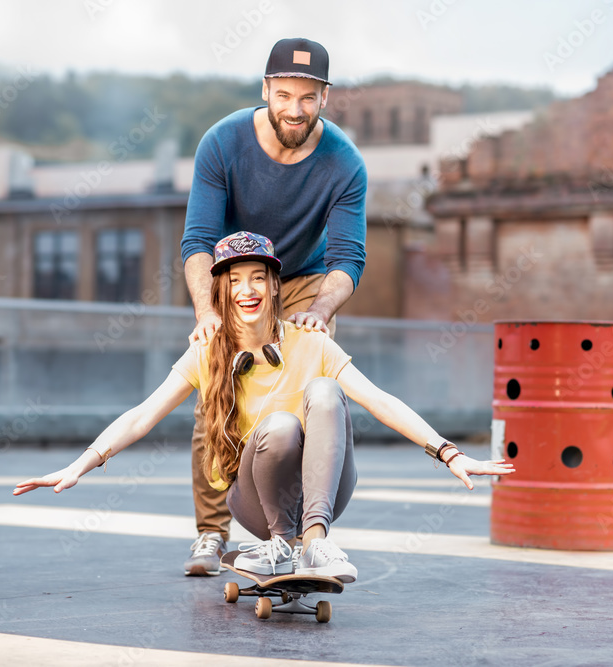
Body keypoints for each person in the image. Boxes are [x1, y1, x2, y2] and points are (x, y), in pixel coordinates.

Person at [13, 232, 514, 581]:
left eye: (258, 277)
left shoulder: (311, 342)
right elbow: (143, 414)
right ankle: (278, 541)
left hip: (323, 494)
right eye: (235, 280)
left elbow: (380, 400)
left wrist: (450, 453)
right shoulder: (208, 352)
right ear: (222, 291)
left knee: (325, 392)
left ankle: (315, 542)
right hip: (254, 499)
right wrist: (80, 465)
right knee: (278, 424)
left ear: (275, 285)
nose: (247, 289)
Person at [179, 37, 368, 576]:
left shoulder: (345, 164)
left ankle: (306, 532)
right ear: (266, 90)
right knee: (217, 387)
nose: (294, 109)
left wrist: (324, 309)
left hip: (307, 277)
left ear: (325, 97)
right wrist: (207, 313)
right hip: (236, 273)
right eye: (283, 95)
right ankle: (212, 533)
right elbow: (198, 241)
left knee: (314, 389)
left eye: (307, 98)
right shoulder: (223, 142)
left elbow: (347, 257)